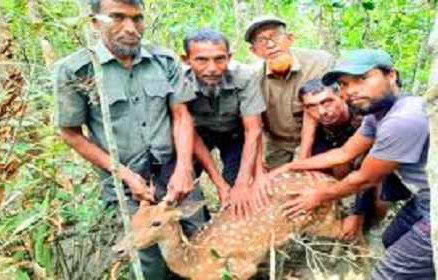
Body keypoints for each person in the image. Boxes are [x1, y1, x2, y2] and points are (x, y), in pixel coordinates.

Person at [53, 0, 207, 278]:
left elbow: (181, 116)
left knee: (200, 241)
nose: (131, 28)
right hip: (125, 182)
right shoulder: (76, 70)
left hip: (174, 173)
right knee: (148, 258)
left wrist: (184, 168)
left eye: (137, 18)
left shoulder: (164, 60)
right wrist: (124, 174)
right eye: (117, 17)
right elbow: (71, 134)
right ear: (95, 22)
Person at [279, 49, 436, 278]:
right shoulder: (377, 115)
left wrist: (318, 196)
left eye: (362, 78)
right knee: (391, 240)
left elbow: (365, 178)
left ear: (391, 75)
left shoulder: (402, 120)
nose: (351, 90)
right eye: (344, 83)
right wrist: (290, 167)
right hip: (426, 196)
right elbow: (344, 153)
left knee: (385, 273)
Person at [181, 28, 265, 216]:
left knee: (238, 189)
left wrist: (242, 184)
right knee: (183, 181)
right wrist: (218, 183)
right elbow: (188, 131)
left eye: (220, 59)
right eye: (202, 60)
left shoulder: (245, 76)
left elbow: (253, 130)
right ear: (186, 60)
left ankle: (239, 229)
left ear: (229, 57)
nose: (212, 68)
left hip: (235, 132)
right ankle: (198, 227)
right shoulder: (179, 80)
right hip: (199, 133)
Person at [295, 79, 386, 239]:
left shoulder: (365, 116)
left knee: (379, 200)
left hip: (375, 159)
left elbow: (368, 175)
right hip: (337, 153)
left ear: (342, 97)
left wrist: (357, 213)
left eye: (327, 102)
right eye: (311, 106)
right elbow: (307, 154)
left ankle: (368, 226)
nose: (322, 111)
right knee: (318, 179)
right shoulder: (315, 120)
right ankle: (333, 220)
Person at [245, 15, 334, 169]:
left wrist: (302, 161)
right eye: (261, 40)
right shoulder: (252, 78)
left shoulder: (319, 62)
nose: (271, 44)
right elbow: (254, 125)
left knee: (318, 183)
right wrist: (258, 167)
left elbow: (318, 111)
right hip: (278, 143)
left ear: (290, 38)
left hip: (319, 136)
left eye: (276, 36)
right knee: (275, 184)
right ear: (254, 51)